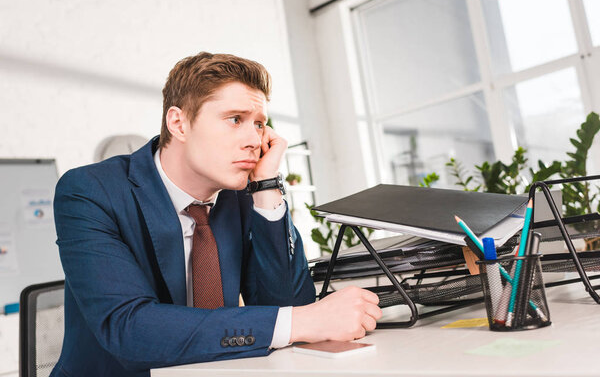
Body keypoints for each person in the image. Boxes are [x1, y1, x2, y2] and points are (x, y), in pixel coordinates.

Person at [50, 52, 382, 377]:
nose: (254, 139)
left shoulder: (238, 195)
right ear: (178, 123)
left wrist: (266, 187)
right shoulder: (91, 191)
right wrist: (303, 321)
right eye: (235, 119)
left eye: (259, 124)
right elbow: (129, 330)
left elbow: (286, 302)